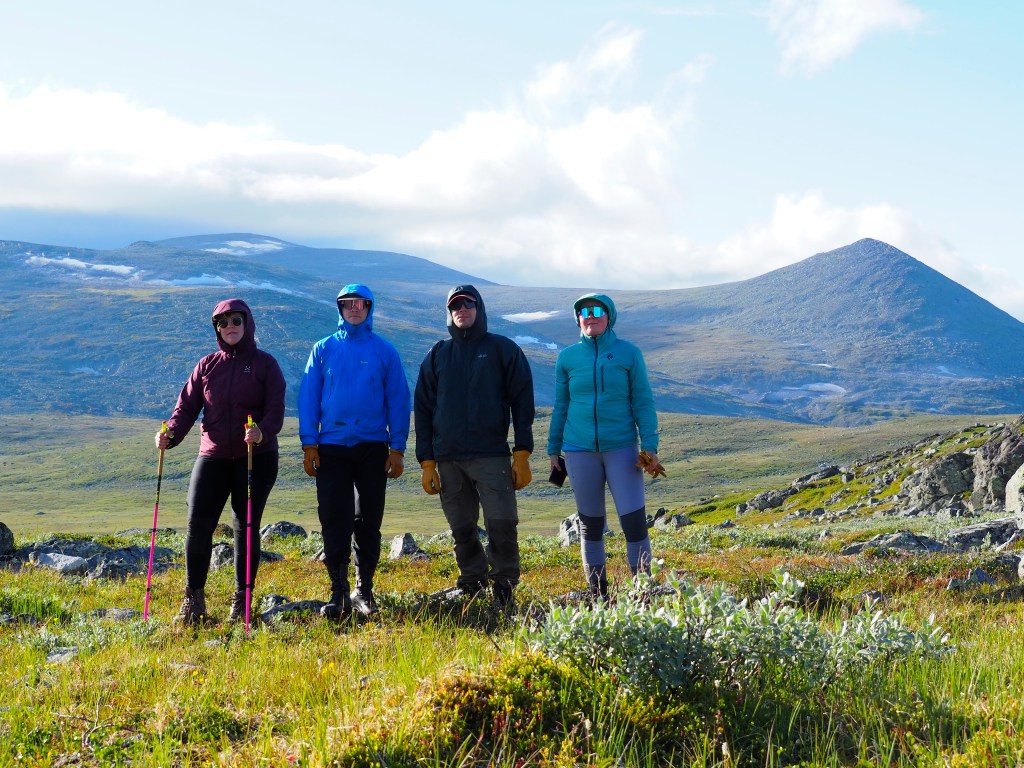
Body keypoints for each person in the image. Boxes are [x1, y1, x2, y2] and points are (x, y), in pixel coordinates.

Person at [156, 299, 286, 625]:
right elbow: (185, 409)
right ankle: (193, 601)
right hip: (212, 456)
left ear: (247, 323)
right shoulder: (206, 366)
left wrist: (263, 431)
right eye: (222, 322)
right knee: (198, 525)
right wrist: (169, 435)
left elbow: (276, 409)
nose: (230, 326)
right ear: (216, 328)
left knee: (245, 529)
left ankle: (242, 602)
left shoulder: (265, 364)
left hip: (255, 456)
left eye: (236, 320)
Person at [414, 284, 535, 608]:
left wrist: (522, 453)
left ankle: (505, 584)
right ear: (449, 312)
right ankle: (472, 581)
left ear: (479, 308)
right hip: (449, 460)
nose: (462, 309)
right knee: (461, 527)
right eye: (456, 305)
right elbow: (423, 409)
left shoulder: (502, 349)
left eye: (468, 304)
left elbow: (523, 402)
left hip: (492, 456)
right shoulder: (437, 354)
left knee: (502, 523)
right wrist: (427, 461)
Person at [298, 284, 410, 620]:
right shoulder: (323, 349)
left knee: (368, 520)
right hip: (331, 446)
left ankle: (365, 589)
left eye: (361, 303)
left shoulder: (384, 351)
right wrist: (309, 443)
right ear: (340, 308)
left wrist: (398, 448)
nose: (354, 308)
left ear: (370, 307)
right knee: (334, 519)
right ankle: (338, 590)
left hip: (373, 447)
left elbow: (399, 400)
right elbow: (308, 397)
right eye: (347, 304)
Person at [546, 293, 663, 601]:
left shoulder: (628, 353)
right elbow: (561, 406)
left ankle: (644, 596)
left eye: (597, 310)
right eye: (583, 312)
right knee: (591, 526)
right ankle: (598, 598)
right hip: (578, 450)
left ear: (610, 316)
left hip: (622, 448)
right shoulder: (567, 358)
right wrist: (553, 448)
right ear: (578, 319)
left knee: (634, 523)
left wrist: (649, 446)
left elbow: (643, 402)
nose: (590, 315)